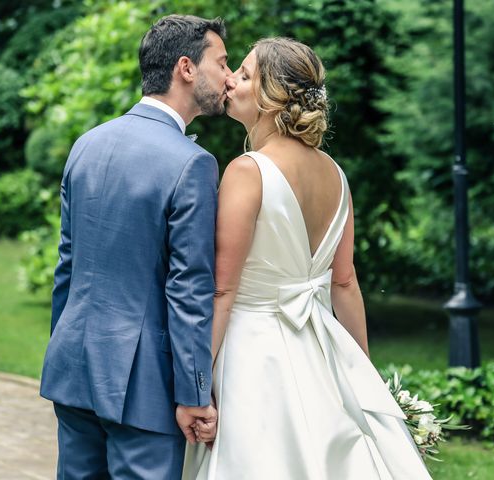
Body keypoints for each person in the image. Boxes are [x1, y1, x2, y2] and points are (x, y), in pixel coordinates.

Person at [183, 37, 433, 479]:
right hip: (322, 349)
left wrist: (198, 385)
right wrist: (362, 373)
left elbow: (223, 288)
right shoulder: (336, 174)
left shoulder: (247, 171)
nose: (230, 81)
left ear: (271, 96)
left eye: (243, 74)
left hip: (252, 356)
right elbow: (345, 283)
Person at [40, 15, 231, 479]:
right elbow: (189, 289)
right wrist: (192, 393)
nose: (229, 76)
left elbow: (67, 267)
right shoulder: (193, 164)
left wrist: (62, 349)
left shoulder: (86, 144)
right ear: (186, 68)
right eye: (221, 62)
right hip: (142, 385)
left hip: (74, 367)